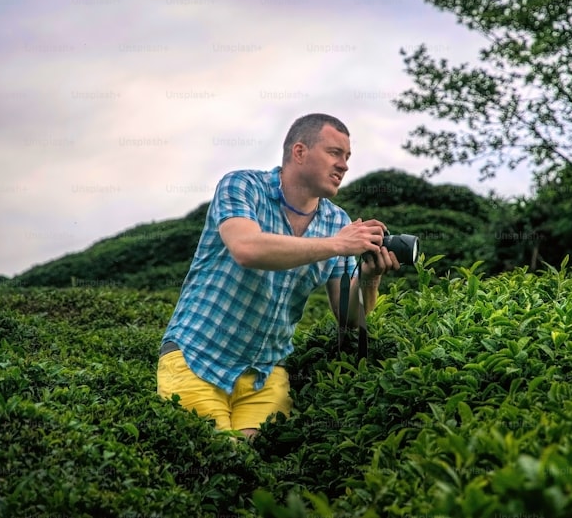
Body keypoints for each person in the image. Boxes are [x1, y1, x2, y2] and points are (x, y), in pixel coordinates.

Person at [157, 113, 399, 440]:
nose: (343, 165)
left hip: (265, 374)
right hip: (197, 357)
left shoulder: (336, 220)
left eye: (347, 157)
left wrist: (370, 278)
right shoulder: (242, 185)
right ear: (299, 152)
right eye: (334, 153)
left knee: (254, 470)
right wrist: (338, 244)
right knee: (214, 464)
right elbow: (247, 248)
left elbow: (350, 318)